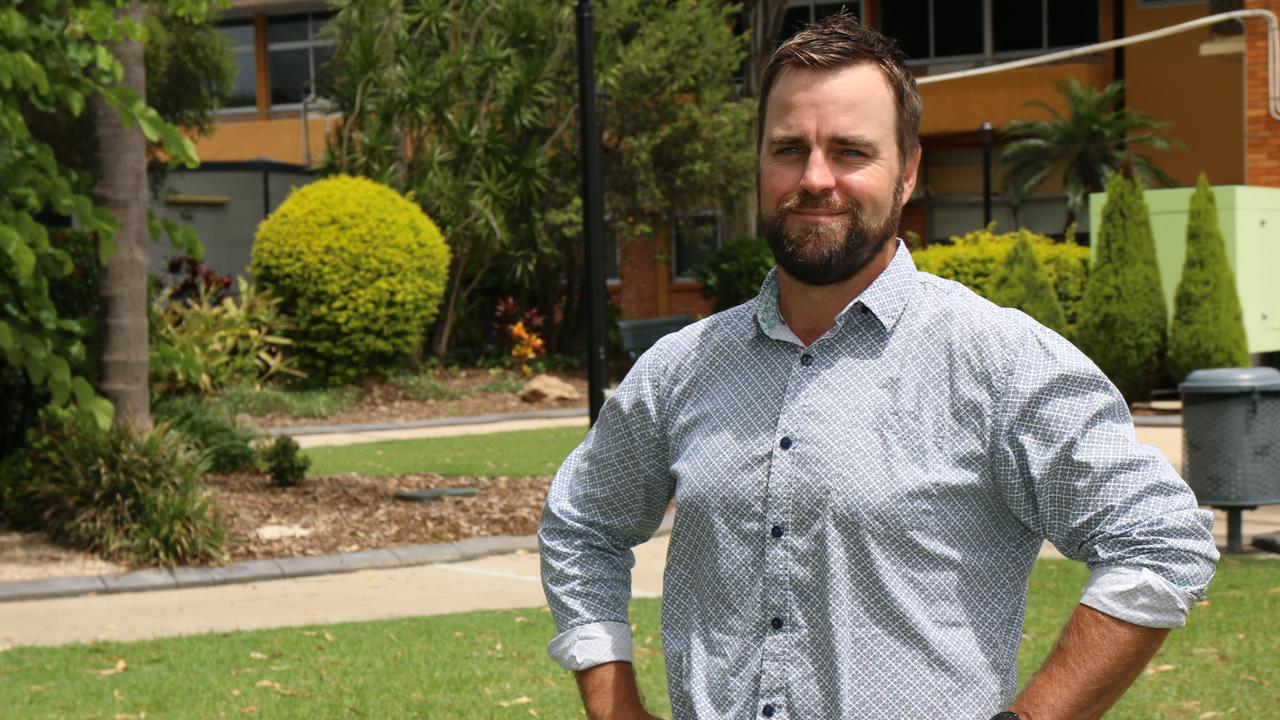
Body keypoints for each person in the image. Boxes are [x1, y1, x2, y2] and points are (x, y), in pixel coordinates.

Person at [538, 13, 1218, 720]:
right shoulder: (684, 368)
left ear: (909, 171)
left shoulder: (997, 362)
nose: (815, 178)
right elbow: (582, 524)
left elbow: (1160, 540)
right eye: (788, 148)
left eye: (851, 151)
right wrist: (614, 703)